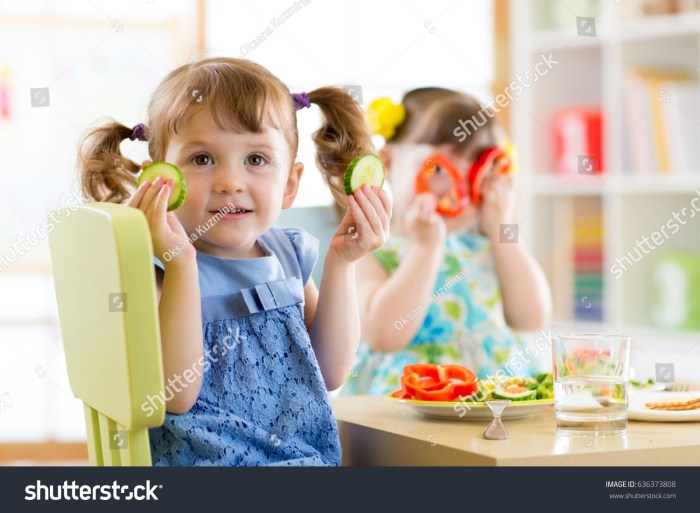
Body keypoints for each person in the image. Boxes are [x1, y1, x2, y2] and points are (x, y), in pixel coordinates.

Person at [78, 57, 391, 465]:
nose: (230, 182)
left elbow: (330, 372)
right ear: (158, 178)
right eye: (202, 159)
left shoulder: (289, 256)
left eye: (256, 160)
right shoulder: (156, 270)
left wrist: (342, 264)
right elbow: (177, 394)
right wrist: (181, 262)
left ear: (290, 185)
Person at [342, 87, 551, 396]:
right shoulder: (371, 250)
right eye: (439, 169)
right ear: (388, 163)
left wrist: (503, 231)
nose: (460, 193)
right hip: (411, 401)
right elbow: (383, 334)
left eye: (481, 173)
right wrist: (426, 249)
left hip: (493, 399)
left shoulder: (485, 248)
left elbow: (532, 318)